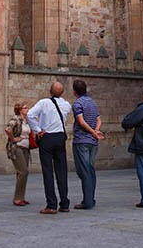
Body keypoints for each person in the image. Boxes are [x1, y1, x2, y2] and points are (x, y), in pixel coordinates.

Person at [27, 81, 72, 214]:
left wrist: (37, 129)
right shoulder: (66, 105)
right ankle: (64, 203)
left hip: (47, 138)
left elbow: (30, 115)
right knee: (61, 171)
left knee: (48, 171)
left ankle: (51, 204)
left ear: (50, 91)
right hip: (60, 137)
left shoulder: (44, 103)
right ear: (62, 93)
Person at [71, 79, 104, 210]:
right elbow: (98, 119)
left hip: (82, 140)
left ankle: (87, 201)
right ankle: (91, 198)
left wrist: (92, 132)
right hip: (92, 141)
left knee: (83, 170)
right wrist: (95, 131)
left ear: (74, 92)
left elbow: (81, 122)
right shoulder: (92, 102)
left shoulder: (77, 103)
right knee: (90, 169)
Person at [5, 102, 32, 206]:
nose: (27, 109)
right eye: (25, 108)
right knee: (23, 172)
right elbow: (8, 129)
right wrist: (13, 138)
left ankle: (21, 197)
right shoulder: (15, 119)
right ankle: (17, 198)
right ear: (20, 110)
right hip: (17, 147)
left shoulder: (27, 121)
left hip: (25, 148)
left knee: (22, 173)